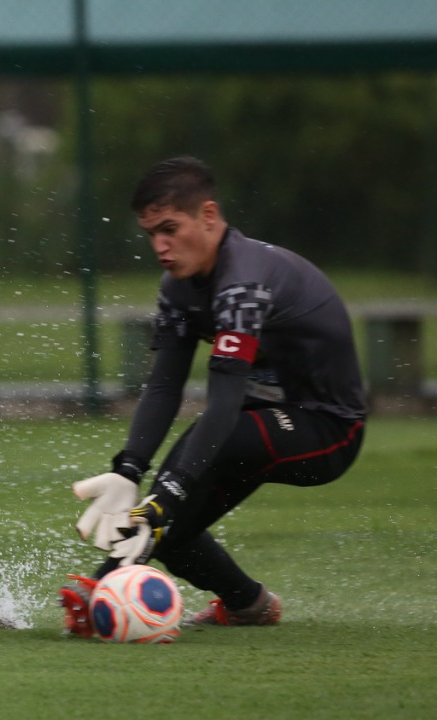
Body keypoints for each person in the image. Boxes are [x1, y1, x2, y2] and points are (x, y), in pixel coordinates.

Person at [61, 156, 367, 635]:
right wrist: (129, 468)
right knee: (171, 532)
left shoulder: (243, 280)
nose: (160, 246)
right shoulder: (179, 286)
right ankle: (249, 604)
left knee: (184, 476)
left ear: (208, 216)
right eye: (150, 234)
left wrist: (165, 492)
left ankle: (104, 585)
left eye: (169, 229)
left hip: (327, 429)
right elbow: (165, 385)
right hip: (255, 421)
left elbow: (222, 406)